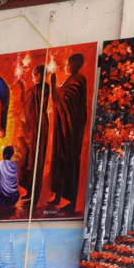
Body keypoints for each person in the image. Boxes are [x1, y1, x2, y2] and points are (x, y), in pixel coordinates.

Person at [49, 53, 88, 211]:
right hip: (62, 127)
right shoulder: (69, 80)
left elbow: (66, 101)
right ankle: (57, 195)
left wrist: (53, 84)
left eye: (68, 64)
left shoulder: (78, 80)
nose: (66, 66)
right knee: (59, 158)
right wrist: (55, 86)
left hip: (72, 129)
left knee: (70, 161)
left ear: (74, 65)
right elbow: (59, 99)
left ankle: (70, 200)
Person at [17, 64, 49, 204]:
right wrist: (22, 88)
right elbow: (25, 102)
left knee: (37, 160)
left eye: (36, 74)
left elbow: (34, 103)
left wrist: (24, 88)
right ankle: (30, 191)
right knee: (29, 159)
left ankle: (35, 195)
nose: (34, 77)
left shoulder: (43, 88)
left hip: (40, 125)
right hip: (33, 127)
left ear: (41, 74)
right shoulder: (35, 89)